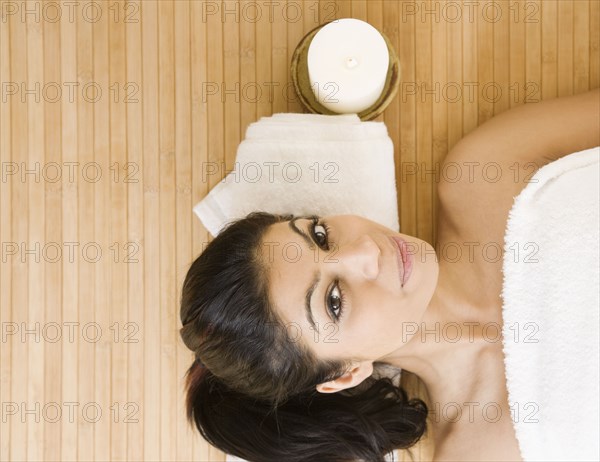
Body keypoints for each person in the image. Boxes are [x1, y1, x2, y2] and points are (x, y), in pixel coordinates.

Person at [179, 88, 600, 462]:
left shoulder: (481, 174)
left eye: (321, 235)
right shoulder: (480, 451)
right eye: (334, 301)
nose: (364, 250)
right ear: (346, 374)